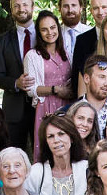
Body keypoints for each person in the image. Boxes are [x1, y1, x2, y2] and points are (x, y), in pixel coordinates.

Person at [0, 0, 39, 151]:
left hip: (41, 105)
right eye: (16, 6)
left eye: (25, 4)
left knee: (44, 155)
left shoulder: (45, 34)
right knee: (12, 154)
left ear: (32, 7)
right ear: (11, 10)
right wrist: (15, 83)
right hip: (14, 109)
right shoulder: (3, 40)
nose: (21, 9)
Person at [24, 10, 74, 141]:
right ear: (39, 33)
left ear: (58, 27)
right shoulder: (33, 56)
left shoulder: (67, 54)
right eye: (44, 30)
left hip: (68, 105)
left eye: (53, 27)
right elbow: (30, 89)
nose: (50, 32)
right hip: (46, 107)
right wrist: (55, 90)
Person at [68, 0, 107, 91]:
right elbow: (76, 79)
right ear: (91, 11)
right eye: (96, 8)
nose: (100, 12)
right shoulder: (82, 41)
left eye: (104, 7)